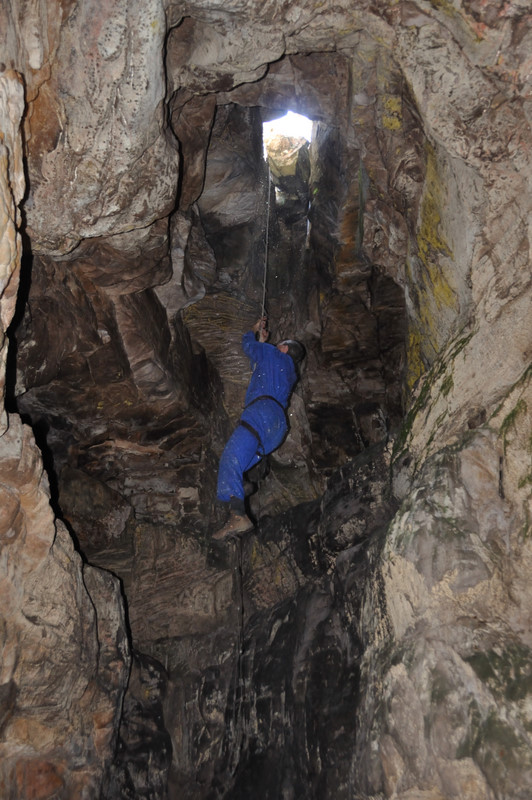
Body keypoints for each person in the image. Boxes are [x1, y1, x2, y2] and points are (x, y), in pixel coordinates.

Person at [213, 317, 305, 540]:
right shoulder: (288, 370)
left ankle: (238, 515)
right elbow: (259, 368)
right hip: (277, 428)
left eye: (278, 345)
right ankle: (240, 487)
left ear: (283, 348)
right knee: (240, 460)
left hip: (262, 414)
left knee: (230, 459)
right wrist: (264, 346)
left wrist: (252, 332)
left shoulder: (274, 355)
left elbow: (248, 347)